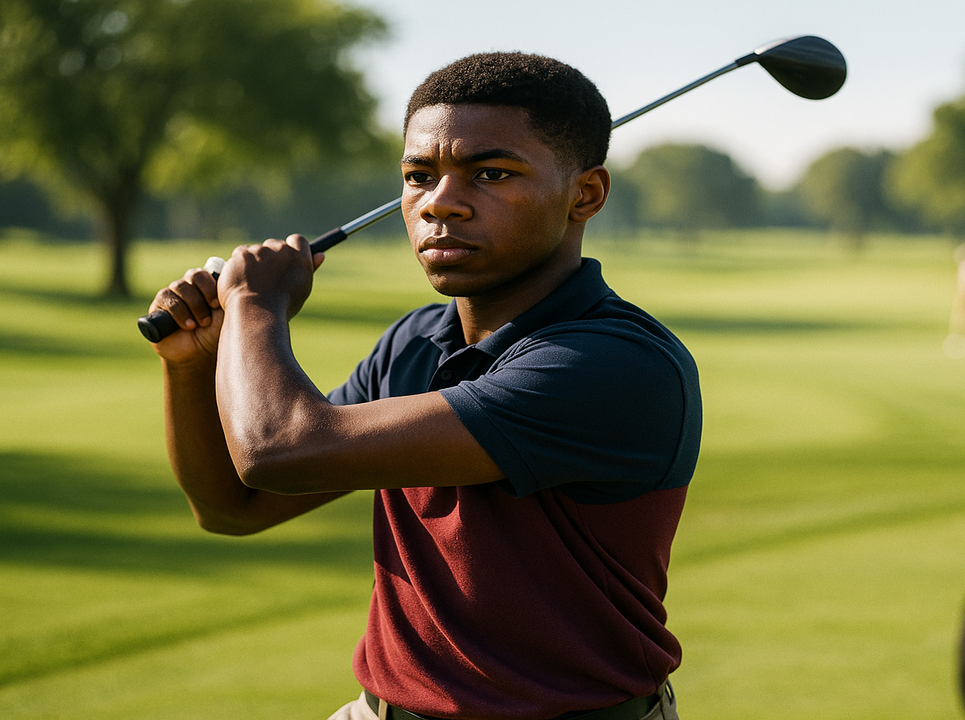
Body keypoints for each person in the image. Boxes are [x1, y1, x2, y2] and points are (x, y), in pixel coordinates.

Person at [147, 52, 700, 720]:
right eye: (419, 175)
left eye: (491, 173)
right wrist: (189, 364)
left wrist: (255, 307)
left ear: (585, 194)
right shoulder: (412, 343)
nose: (440, 202)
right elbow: (235, 506)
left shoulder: (610, 363)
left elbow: (279, 449)